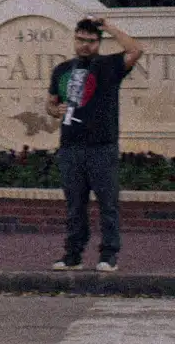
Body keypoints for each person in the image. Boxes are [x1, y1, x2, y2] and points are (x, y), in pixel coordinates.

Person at [46, 15, 143, 272]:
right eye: (80, 40)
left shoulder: (109, 65)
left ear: (98, 43)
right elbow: (50, 103)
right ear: (74, 39)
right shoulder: (62, 70)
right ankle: (73, 255)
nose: (85, 46)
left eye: (90, 41)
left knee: (107, 203)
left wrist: (108, 26)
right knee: (74, 204)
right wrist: (55, 111)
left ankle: (109, 255)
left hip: (102, 146)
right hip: (70, 146)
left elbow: (135, 50)